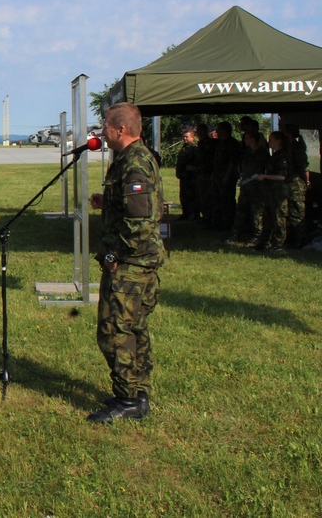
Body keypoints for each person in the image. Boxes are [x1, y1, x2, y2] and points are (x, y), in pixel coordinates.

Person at [87, 102, 164, 424]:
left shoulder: (135, 163)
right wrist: (108, 202)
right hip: (137, 261)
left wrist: (114, 255)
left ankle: (128, 399)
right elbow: (135, 207)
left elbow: (141, 222)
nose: (102, 131)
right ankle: (137, 393)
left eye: (106, 126)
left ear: (120, 129)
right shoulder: (131, 158)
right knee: (134, 328)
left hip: (131, 264)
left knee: (115, 331)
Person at [255, 132, 291, 253]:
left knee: (278, 218)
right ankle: (264, 242)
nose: (269, 142)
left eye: (271, 139)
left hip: (279, 192)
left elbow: (282, 176)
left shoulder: (282, 157)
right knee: (268, 217)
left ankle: (278, 244)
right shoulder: (275, 156)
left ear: (278, 141)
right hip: (271, 191)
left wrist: (265, 176)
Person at [174, 127, 198, 220]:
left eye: (187, 137)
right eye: (184, 137)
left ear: (192, 137)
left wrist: (192, 168)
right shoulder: (184, 148)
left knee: (191, 196)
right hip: (184, 176)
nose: (185, 139)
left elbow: (197, 162)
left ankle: (193, 214)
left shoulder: (194, 148)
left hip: (191, 176)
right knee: (183, 196)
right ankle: (185, 213)